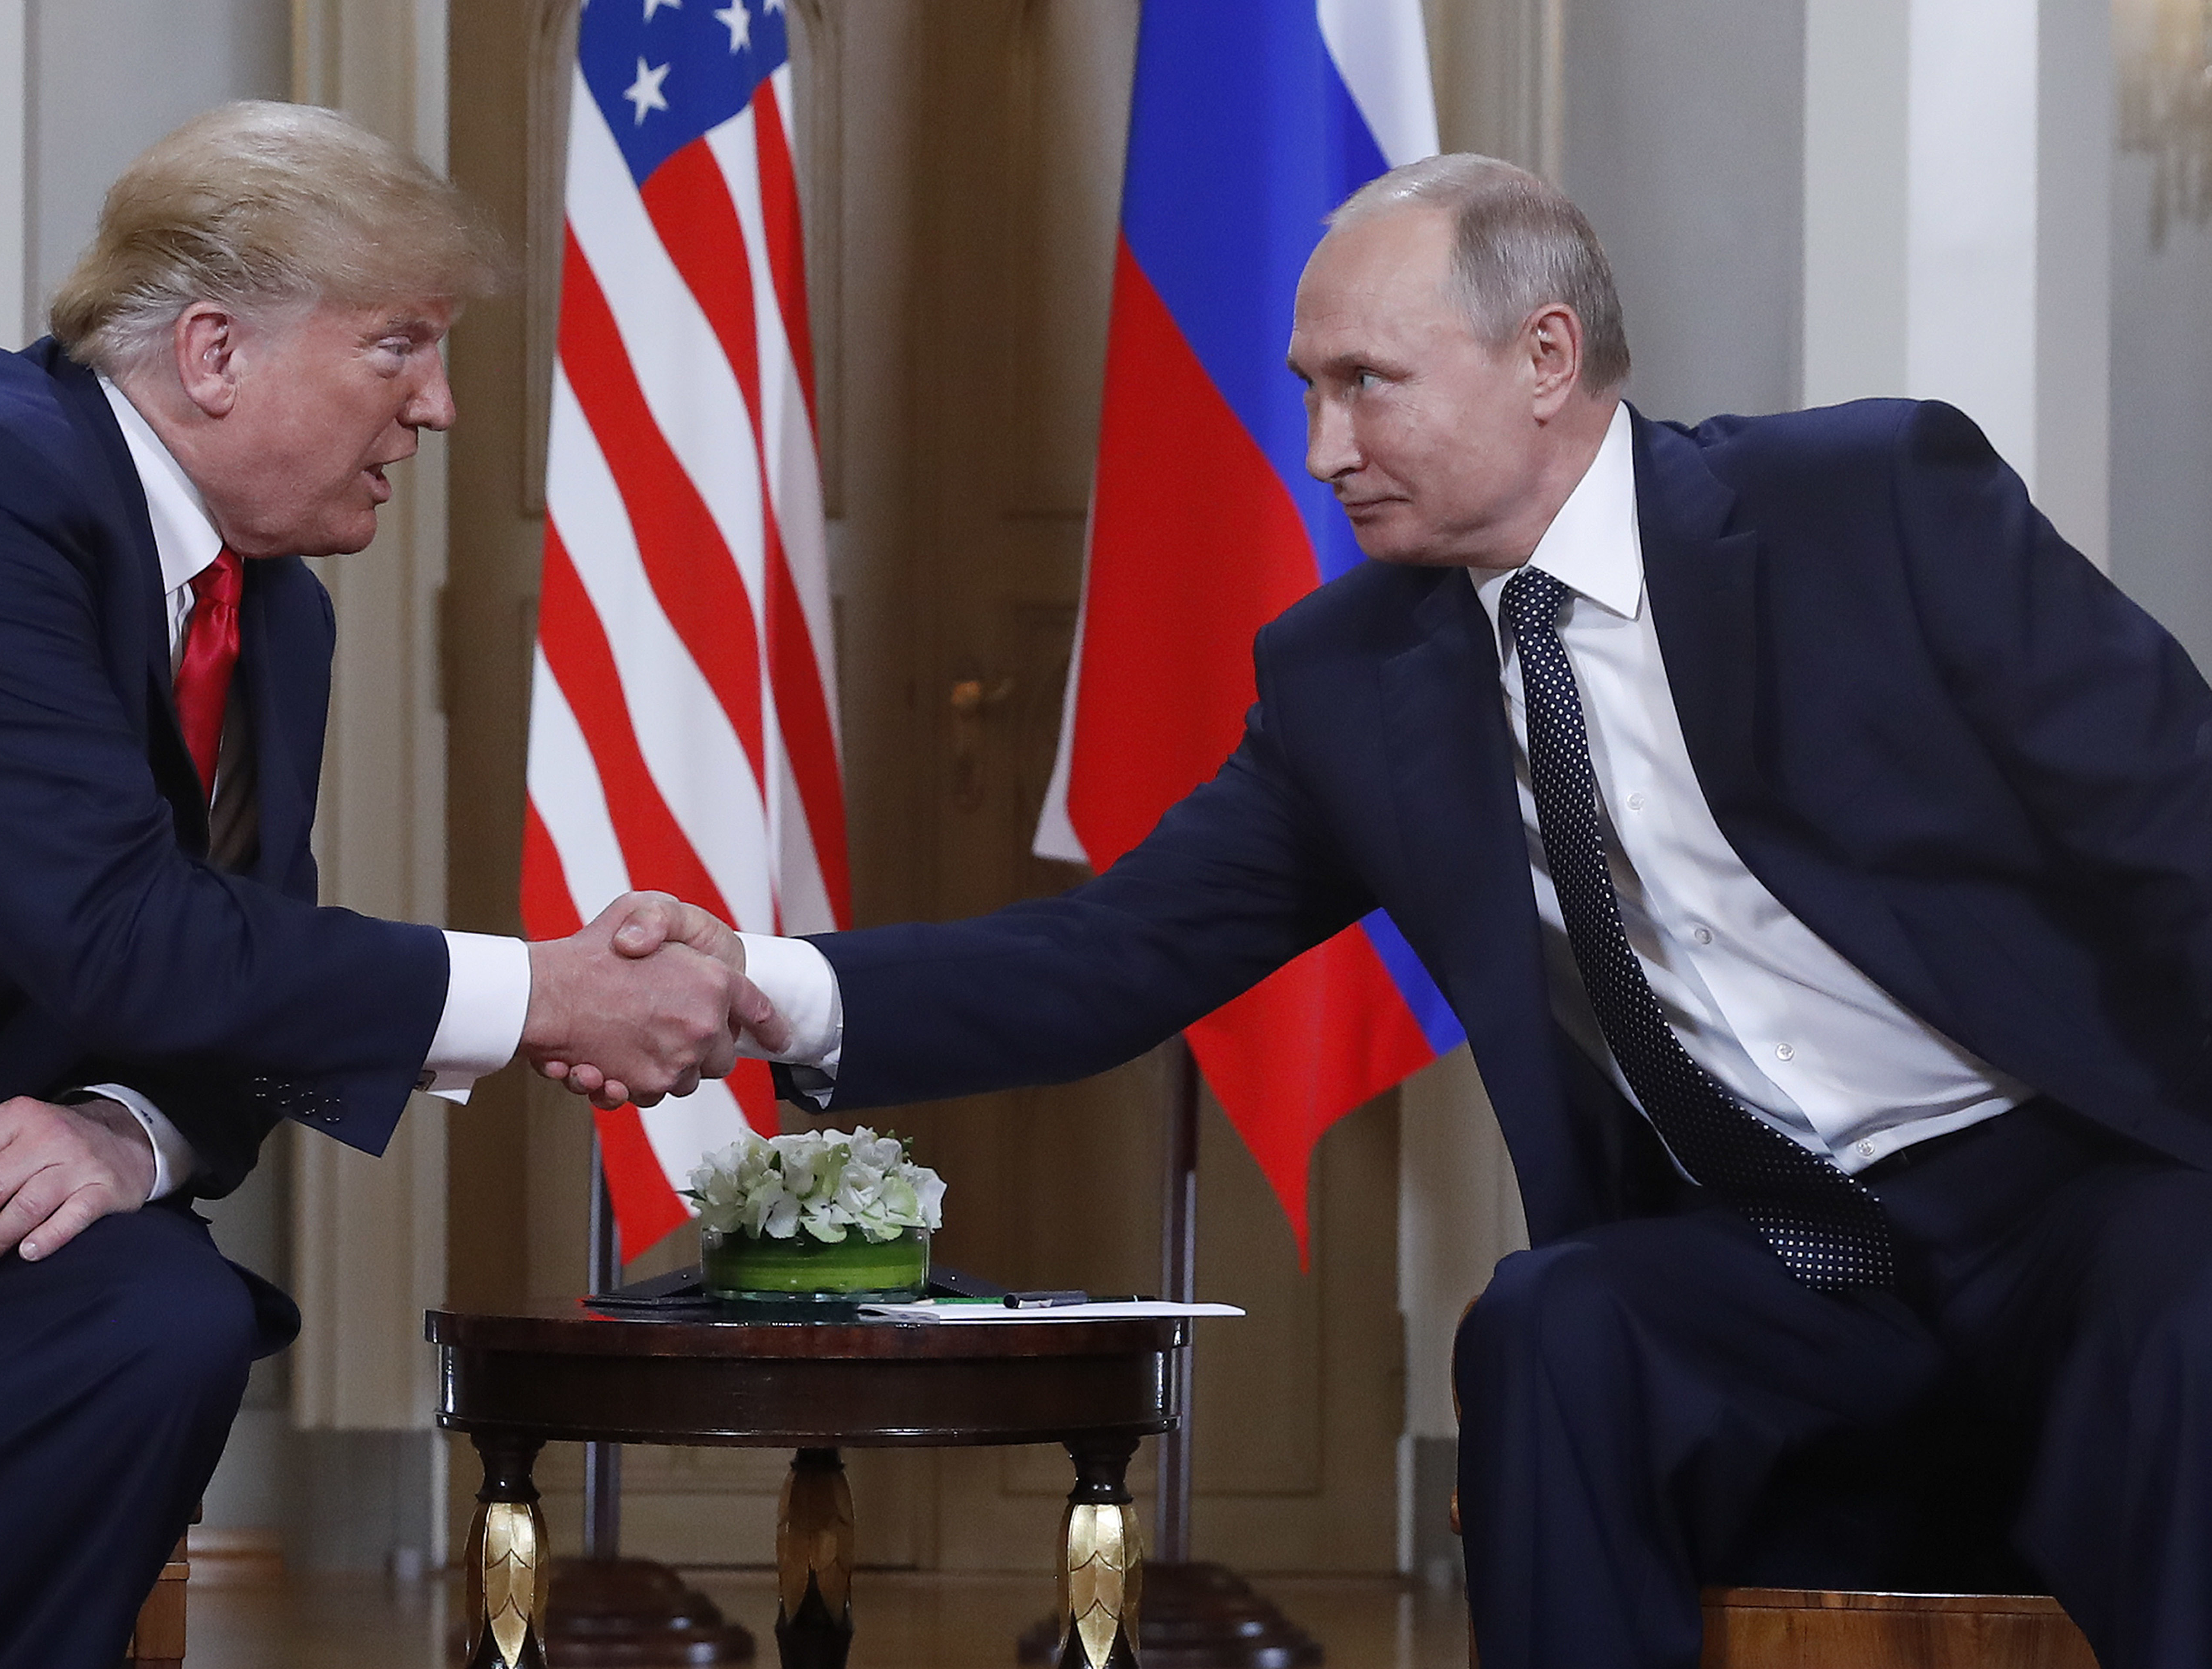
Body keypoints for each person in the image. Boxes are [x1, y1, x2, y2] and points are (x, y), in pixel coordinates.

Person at [552, 154, 2212, 1667]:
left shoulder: (1871, 503)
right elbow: (1119, 954)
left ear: (1546, 358)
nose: (1325, 449)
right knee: (1557, 1323)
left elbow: (2176, 822)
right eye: (1310, 391)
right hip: (1774, 1263)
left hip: (2063, 1202)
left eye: (1368, 386)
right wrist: (767, 987)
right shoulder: (1356, 677)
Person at [0, 102, 778, 1668]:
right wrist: (542, 989)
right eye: (399, 346)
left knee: (150, 1325)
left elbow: (237, 973)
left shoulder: (272, 609)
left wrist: (133, 1129)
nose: (436, 407)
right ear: (216, 353)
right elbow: (118, 932)